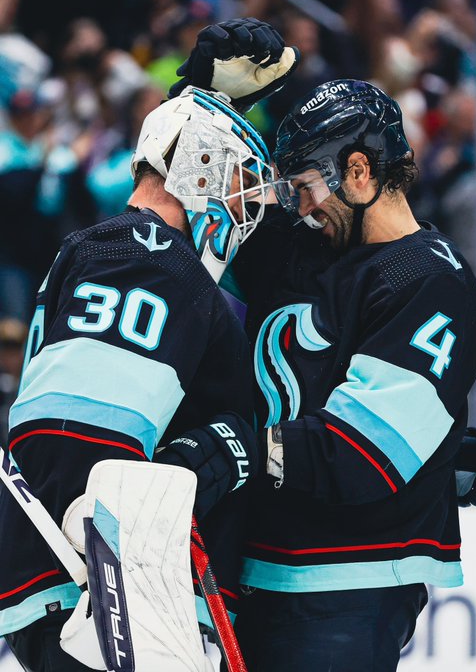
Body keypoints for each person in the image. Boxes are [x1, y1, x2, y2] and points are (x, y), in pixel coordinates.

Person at [170, 20, 476, 671]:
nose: (297, 206)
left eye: (305, 186)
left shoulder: (431, 281)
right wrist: (209, 97)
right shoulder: (301, 249)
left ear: (356, 170)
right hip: (256, 568)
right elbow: (182, 186)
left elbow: (364, 453)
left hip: (346, 586)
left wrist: (240, 448)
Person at [0, 84, 277, 671]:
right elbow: (81, 438)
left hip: (37, 572)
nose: (238, 206)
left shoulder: (80, 249)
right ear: (202, 167)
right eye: (234, 181)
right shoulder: (166, 266)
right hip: (103, 584)